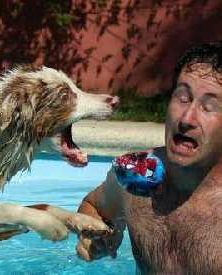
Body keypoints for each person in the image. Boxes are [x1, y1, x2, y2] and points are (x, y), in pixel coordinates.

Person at [76, 41, 222, 274]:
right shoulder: (135, 177)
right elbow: (94, 206)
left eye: (209, 107)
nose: (187, 118)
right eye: (182, 98)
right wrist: (97, 235)